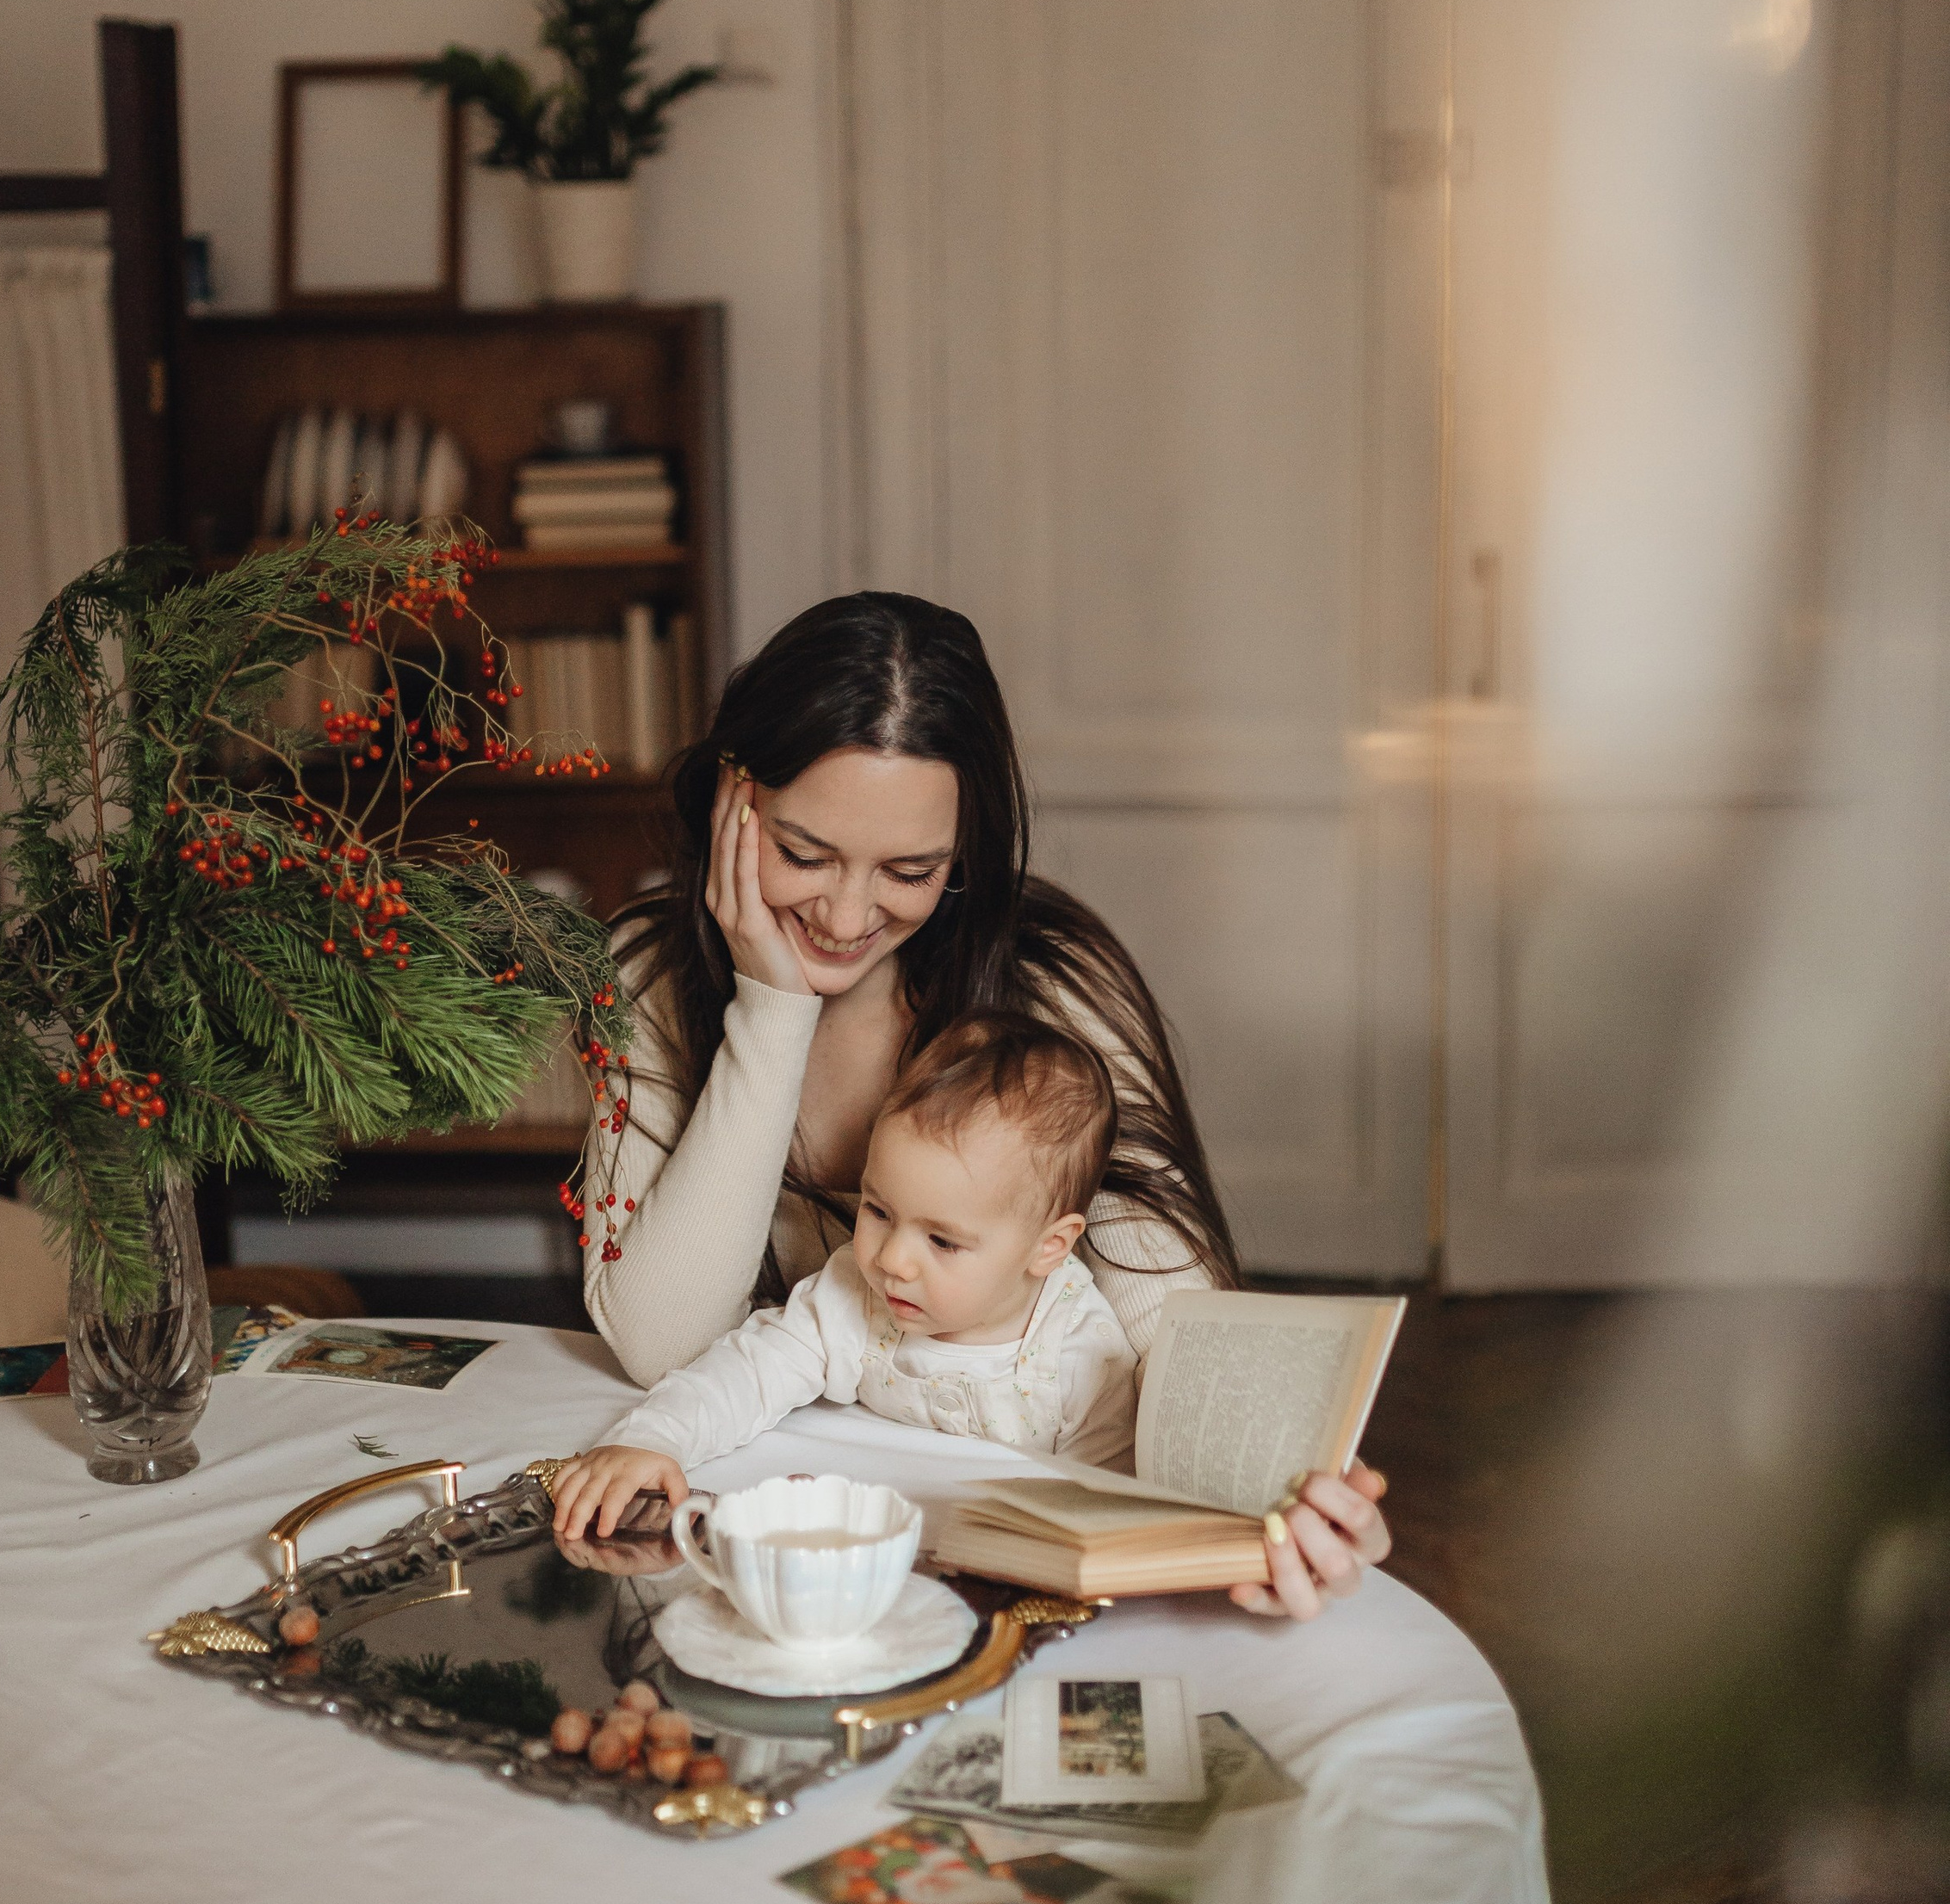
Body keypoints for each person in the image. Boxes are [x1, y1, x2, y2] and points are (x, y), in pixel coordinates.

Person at [579, 590, 1388, 1618]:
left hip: (1019, 1532)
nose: (841, 915)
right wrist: (771, 1007)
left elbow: (1174, 1319)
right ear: (735, 799)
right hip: (811, 1519)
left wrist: (1271, 1511)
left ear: (961, 854)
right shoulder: (649, 972)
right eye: (802, 853)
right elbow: (659, 1343)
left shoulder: (1054, 983)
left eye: (908, 870)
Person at [552, 1012, 1141, 1541]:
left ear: (1049, 1247)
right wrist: (652, 1438)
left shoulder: (1079, 1348)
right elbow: (748, 1371)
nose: (892, 1260)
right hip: (859, 1545)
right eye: (878, 1211)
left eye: (941, 1240)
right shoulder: (856, 1296)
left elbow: (1103, 1503)